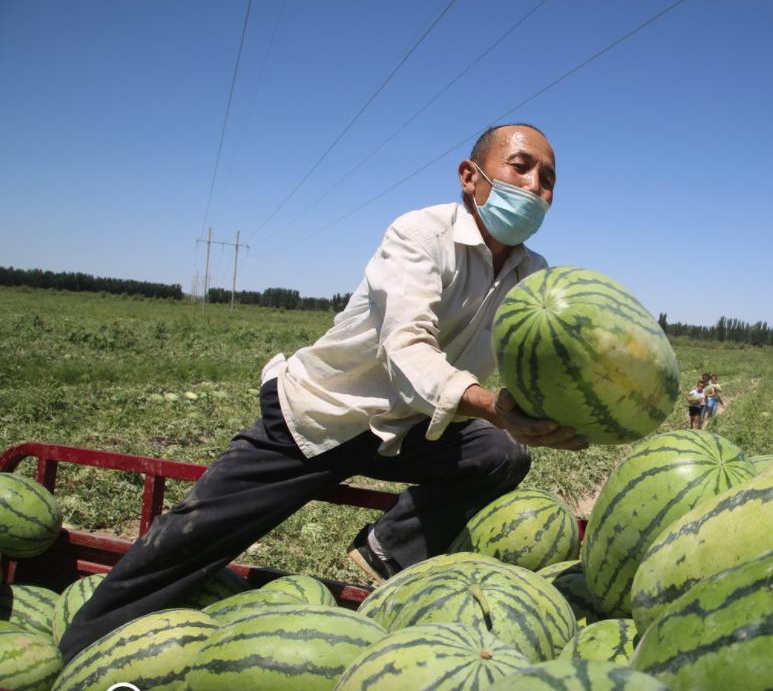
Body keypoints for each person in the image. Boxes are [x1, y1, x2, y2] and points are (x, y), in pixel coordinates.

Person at [58, 123, 587, 662]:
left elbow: (533, 363)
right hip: (322, 415)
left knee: (499, 453)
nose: (534, 187)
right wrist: (490, 406)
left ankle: (388, 548)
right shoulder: (420, 234)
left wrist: (562, 408)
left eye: (547, 179)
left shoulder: (532, 276)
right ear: (470, 177)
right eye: (520, 167)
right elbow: (406, 345)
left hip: (408, 428)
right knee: (188, 541)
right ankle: (79, 651)